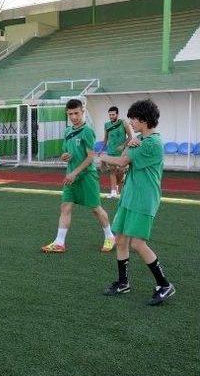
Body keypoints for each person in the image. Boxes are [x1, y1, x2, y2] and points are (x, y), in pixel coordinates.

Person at [100, 100, 174, 305]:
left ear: (144, 119)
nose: (130, 122)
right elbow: (124, 161)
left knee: (138, 243)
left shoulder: (152, 143)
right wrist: (128, 145)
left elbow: (122, 162)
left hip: (144, 199)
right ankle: (123, 283)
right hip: (129, 197)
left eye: (133, 118)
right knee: (121, 239)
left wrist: (103, 156)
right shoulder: (140, 139)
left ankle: (164, 285)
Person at [42, 99, 115, 253]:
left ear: (82, 111)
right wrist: (63, 156)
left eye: (76, 113)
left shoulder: (87, 131)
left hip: (87, 176)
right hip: (71, 176)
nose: (74, 117)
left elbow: (90, 157)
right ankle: (59, 242)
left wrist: (74, 173)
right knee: (65, 206)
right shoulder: (67, 131)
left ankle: (110, 237)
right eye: (70, 114)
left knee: (96, 209)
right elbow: (65, 151)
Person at [101, 106, 133, 198]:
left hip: (122, 152)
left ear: (117, 114)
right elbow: (105, 139)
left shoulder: (123, 123)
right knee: (112, 171)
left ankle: (118, 185)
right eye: (110, 115)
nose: (111, 116)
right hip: (111, 151)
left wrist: (123, 145)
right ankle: (113, 192)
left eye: (113, 114)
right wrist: (100, 150)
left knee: (121, 171)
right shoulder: (106, 125)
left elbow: (130, 137)